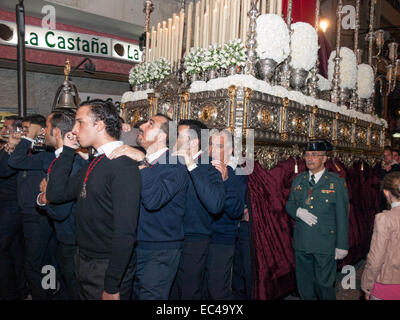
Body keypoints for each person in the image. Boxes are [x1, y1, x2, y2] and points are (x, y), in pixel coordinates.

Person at [46, 99, 141, 300]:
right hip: (84, 259)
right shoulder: (96, 161)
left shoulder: (122, 165)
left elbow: (125, 232)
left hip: (107, 267)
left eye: (80, 122)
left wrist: (112, 285)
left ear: (99, 125)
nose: (74, 129)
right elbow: (56, 194)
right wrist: (68, 151)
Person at [110, 114, 189, 300]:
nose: (142, 125)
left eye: (150, 123)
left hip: (160, 249)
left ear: (162, 136)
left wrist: (141, 162)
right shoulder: (136, 159)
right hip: (133, 245)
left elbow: (154, 200)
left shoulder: (175, 164)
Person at [285, 139, 349, 300]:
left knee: (324, 286)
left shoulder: (336, 182)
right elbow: (290, 204)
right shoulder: (299, 180)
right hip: (302, 242)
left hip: (324, 244)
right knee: (304, 288)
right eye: (306, 155)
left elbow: (342, 215)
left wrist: (342, 245)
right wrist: (298, 211)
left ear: (324, 158)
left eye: (314, 155)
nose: (309, 158)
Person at [36, 110, 88, 300]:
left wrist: (47, 198)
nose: (44, 132)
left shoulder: (71, 162)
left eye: (47, 127)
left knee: (75, 290)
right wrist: (45, 197)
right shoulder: (61, 159)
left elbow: (60, 210)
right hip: (67, 238)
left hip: (72, 240)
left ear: (56, 132)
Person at [171, 119, 225, 300]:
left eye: (179, 136)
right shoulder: (172, 162)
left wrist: (191, 165)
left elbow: (215, 205)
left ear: (194, 142)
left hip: (194, 240)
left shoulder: (211, 167)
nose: (174, 139)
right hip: (169, 239)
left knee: (189, 292)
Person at [7, 114, 58, 300]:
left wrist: (29, 137)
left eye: (28, 129)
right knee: (37, 260)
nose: (24, 133)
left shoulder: (46, 154)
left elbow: (15, 161)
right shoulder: (36, 152)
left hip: (38, 216)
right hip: (28, 213)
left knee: (35, 263)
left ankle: (42, 294)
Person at [204, 129, 246, 300]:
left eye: (218, 146)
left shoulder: (237, 173)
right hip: (200, 237)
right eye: (210, 144)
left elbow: (236, 210)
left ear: (230, 150)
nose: (212, 149)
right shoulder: (204, 167)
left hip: (222, 239)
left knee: (217, 290)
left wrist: (226, 180)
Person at [361, 171, 400, 300]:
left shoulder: (384, 218)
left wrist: (367, 285)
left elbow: (376, 257)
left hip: (388, 284)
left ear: (386, 193)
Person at [0, 116, 26, 299]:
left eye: (6, 128)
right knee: (14, 251)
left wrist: (10, 147)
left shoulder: (20, 149)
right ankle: (18, 290)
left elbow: (4, 171)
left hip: (12, 208)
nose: (2, 131)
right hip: (8, 208)